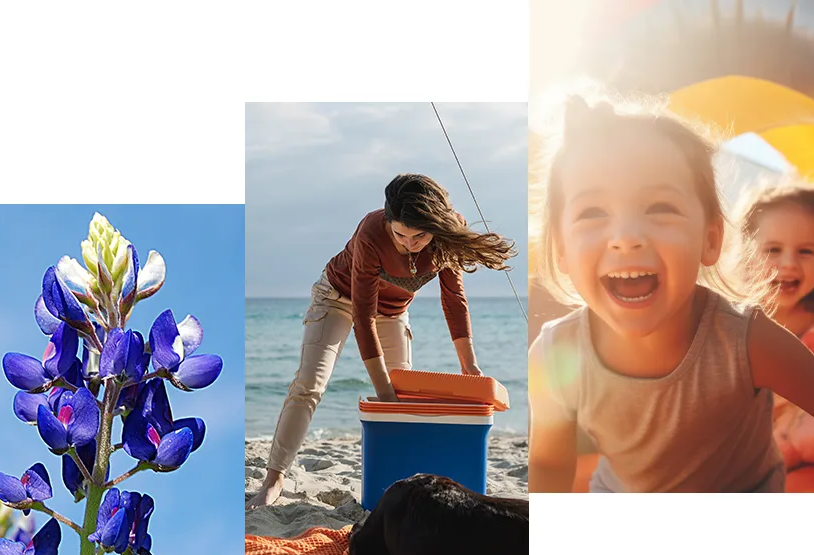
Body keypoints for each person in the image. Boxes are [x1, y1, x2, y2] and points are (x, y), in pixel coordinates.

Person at [528, 93, 814, 493]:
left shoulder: (744, 341)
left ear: (710, 239)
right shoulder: (555, 353)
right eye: (593, 212)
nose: (626, 238)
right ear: (560, 249)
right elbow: (548, 463)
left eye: (660, 206)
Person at [247, 173, 517, 508]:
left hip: (393, 311)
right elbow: (362, 315)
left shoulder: (448, 235)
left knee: (404, 397)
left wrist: (470, 366)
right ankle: (274, 480)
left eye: (419, 235)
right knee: (309, 384)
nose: (409, 243)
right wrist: (384, 391)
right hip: (337, 298)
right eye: (401, 234)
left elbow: (453, 299)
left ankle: (401, 483)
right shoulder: (372, 230)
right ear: (389, 222)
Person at [740, 182, 814, 474]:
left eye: (807, 251)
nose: (788, 264)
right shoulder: (733, 324)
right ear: (746, 252)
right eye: (772, 249)